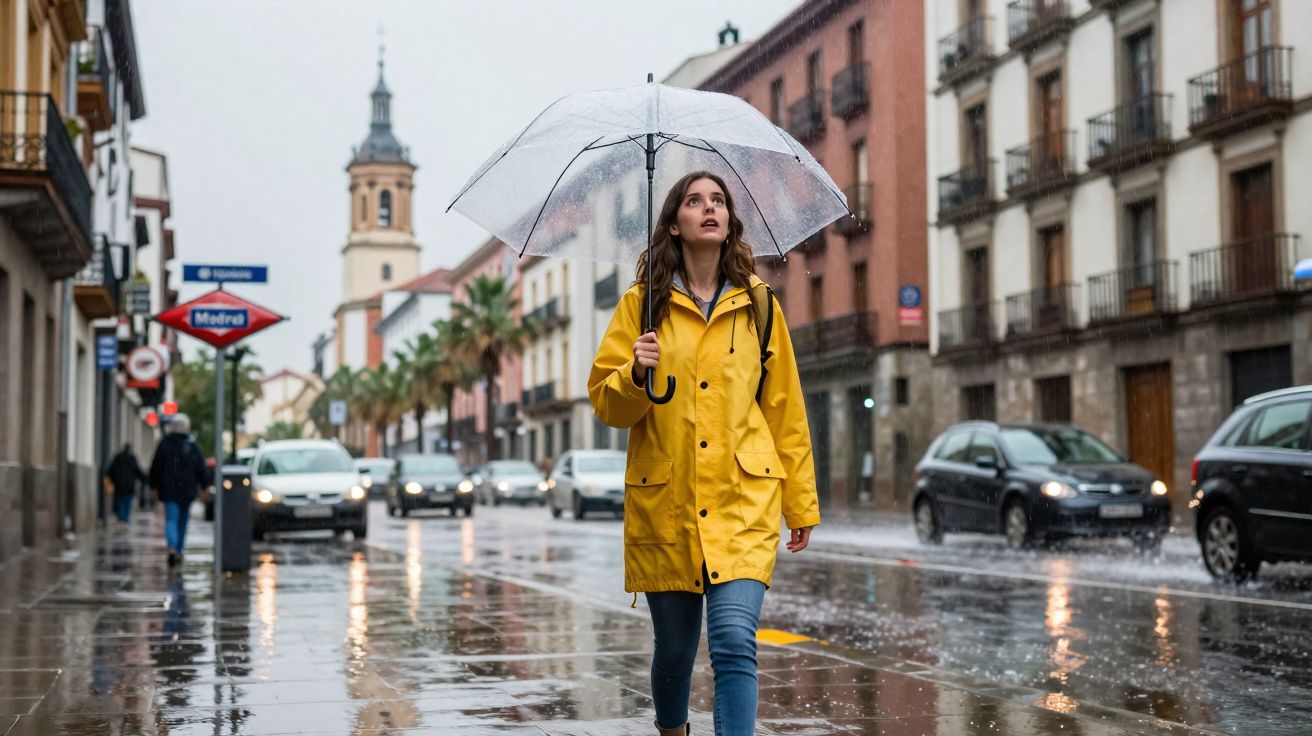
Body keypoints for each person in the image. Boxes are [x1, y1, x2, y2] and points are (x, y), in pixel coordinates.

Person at [589, 171, 819, 736]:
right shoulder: (642, 307)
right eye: (694, 201)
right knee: (673, 652)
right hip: (666, 506)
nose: (708, 208)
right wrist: (634, 374)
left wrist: (801, 503)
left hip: (743, 500)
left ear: (729, 221)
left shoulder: (760, 306)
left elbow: (784, 410)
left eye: (718, 200)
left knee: (736, 642)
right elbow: (606, 405)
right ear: (675, 222)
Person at [148, 413, 211, 567]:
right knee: (182, 522)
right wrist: (205, 485)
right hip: (187, 489)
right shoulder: (191, 444)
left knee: (171, 519)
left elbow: (156, 466)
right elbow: (200, 467)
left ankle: (172, 546)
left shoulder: (165, 444)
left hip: (169, 489)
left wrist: (153, 485)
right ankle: (179, 550)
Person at [104, 443, 147, 525]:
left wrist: (112, 480)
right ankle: (125, 521)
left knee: (120, 503)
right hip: (129, 486)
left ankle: (121, 520)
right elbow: (138, 471)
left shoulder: (117, 458)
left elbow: (110, 471)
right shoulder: (132, 458)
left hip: (119, 486)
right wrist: (145, 478)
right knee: (127, 503)